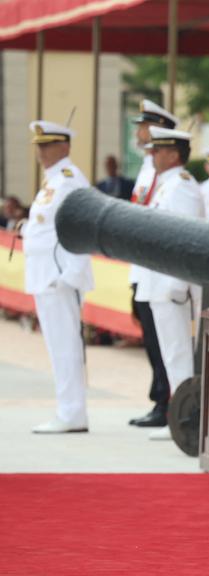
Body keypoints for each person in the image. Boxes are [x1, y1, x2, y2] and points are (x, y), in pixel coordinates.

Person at [133, 126, 205, 441]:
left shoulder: (181, 186)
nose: (153, 155)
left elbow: (185, 239)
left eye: (158, 150)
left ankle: (186, 415)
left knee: (178, 352)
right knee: (171, 353)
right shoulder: (167, 185)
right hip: (158, 279)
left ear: (174, 154)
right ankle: (180, 414)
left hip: (170, 283)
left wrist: (177, 283)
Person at [21, 120, 94, 434]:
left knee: (65, 346)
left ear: (64, 147)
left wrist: (70, 275)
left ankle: (72, 412)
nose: (41, 151)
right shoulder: (53, 180)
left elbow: (81, 228)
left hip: (58, 276)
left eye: (47, 144)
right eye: (38, 145)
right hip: (47, 274)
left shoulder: (68, 180)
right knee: (57, 345)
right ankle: (68, 410)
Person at [128, 99, 179, 429]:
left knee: (163, 339)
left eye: (145, 126)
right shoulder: (148, 168)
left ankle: (166, 401)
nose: (139, 132)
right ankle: (160, 396)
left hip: (158, 269)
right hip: (142, 265)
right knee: (150, 333)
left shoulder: (166, 175)